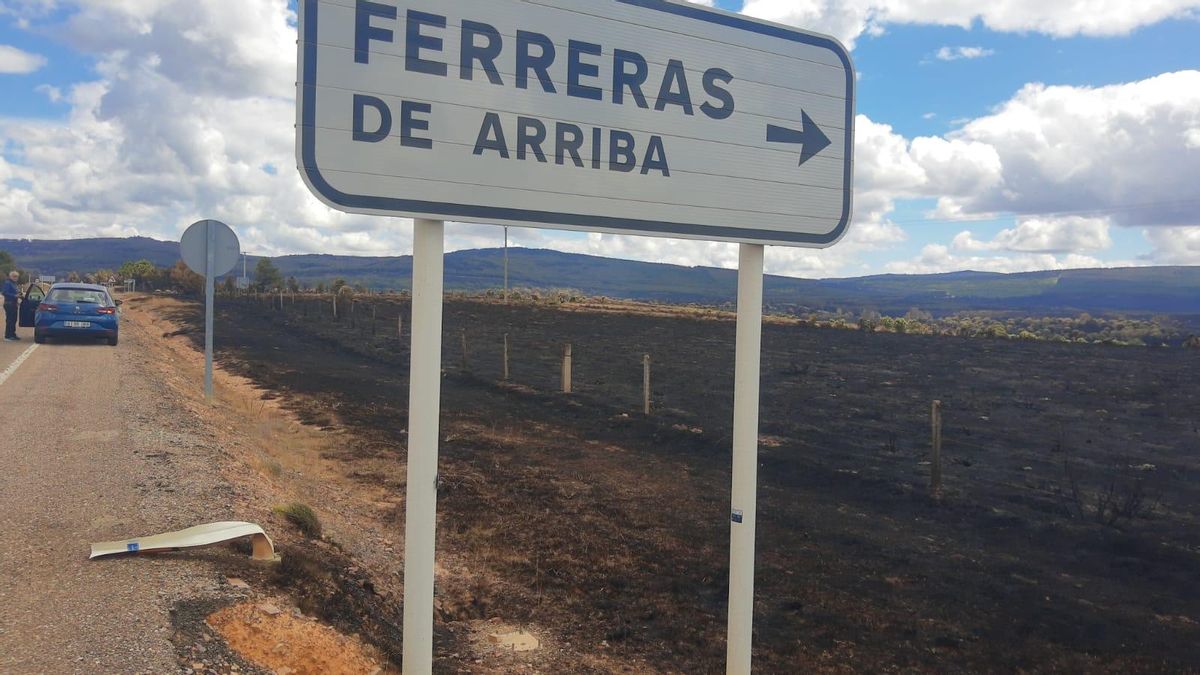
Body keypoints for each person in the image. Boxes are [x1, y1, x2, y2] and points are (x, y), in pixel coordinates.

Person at [3, 270, 19, 341]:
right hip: (9, 303)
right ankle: (8, 335)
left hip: (14, 304)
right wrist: (14, 296)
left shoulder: (14, 284)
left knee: (14, 320)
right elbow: (4, 292)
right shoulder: (8, 283)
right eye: (14, 276)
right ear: (11, 276)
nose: (16, 278)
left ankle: (13, 334)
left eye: (17, 276)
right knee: (10, 320)